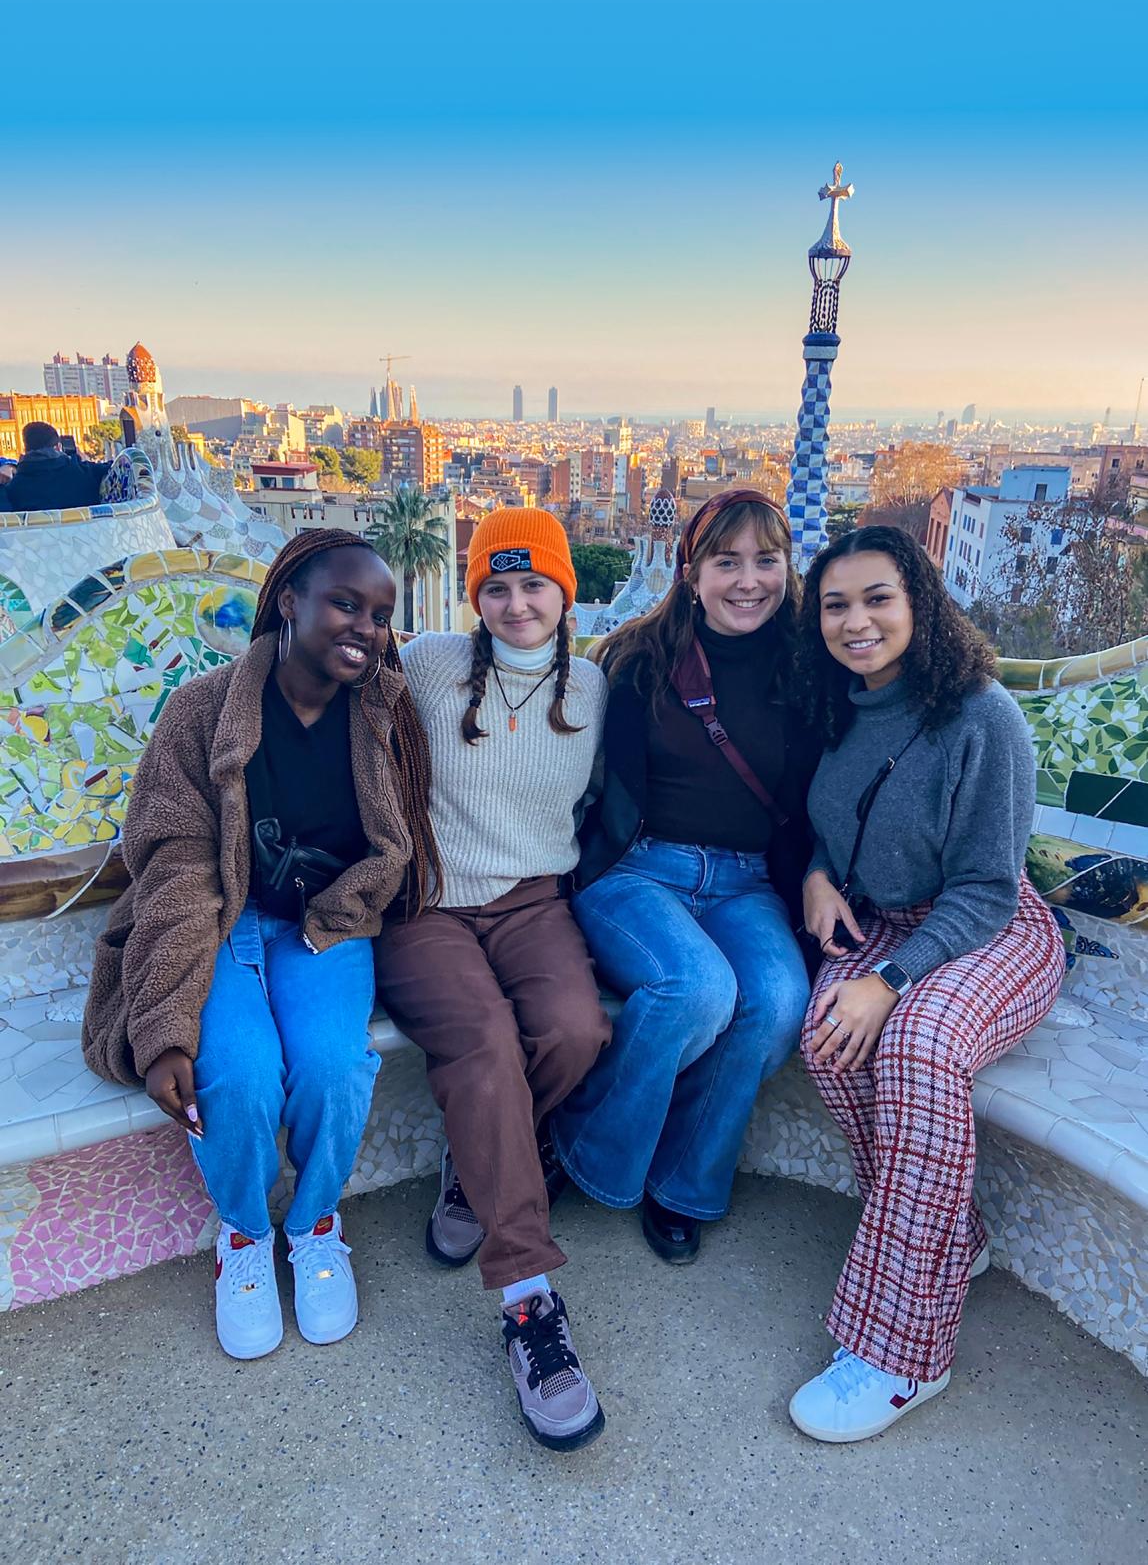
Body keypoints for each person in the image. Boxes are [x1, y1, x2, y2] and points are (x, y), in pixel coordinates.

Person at [82, 529, 439, 1361]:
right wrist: (164, 1023)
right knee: (234, 1074)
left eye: (382, 614)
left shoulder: (383, 713)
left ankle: (314, 1224)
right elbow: (172, 860)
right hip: (225, 917)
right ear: (289, 601)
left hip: (329, 925)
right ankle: (244, 1237)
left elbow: (398, 841)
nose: (365, 627)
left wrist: (349, 905)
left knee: (332, 1068)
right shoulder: (204, 711)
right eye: (345, 603)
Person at [788, 526, 1064, 1443]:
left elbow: (988, 887)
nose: (856, 621)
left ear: (919, 605)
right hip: (890, 921)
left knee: (917, 1043)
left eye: (878, 599)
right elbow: (834, 825)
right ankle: (948, 1244)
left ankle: (905, 1351)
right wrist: (818, 873)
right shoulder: (837, 705)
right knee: (827, 1040)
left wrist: (893, 983)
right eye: (835, 604)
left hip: (990, 930)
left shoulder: (980, 717)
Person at [375, 508, 611, 1453]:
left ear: (565, 592)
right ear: (476, 596)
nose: (517, 603)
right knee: (482, 1043)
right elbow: (328, 658)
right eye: (497, 586)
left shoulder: (594, 685)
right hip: (427, 905)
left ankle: (477, 1173)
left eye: (535, 584)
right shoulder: (430, 662)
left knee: (576, 1032)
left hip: (533, 901)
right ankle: (528, 1301)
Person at [551, 488, 814, 1264]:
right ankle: (584, 1148)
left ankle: (684, 1182)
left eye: (766, 561)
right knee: (697, 989)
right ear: (690, 571)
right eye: (726, 562)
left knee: (775, 1002)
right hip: (638, 871)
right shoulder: (637, 656)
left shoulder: (809, 667)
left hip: (747, 881)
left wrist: (823, 875)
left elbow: (828, 793)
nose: (748, 581)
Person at [0, 422, 110, 511]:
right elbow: (119, 465)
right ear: (58, 448)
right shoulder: (84, 472)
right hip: (89, 536)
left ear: (26, 450)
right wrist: (84, 462)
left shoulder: (13, 489)